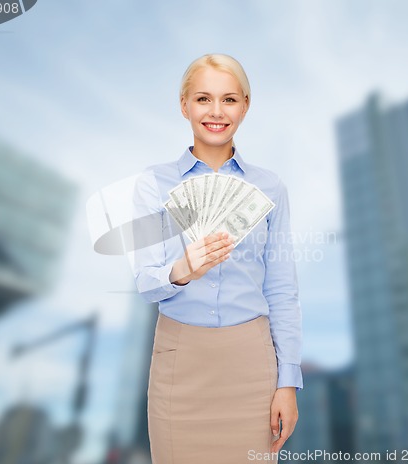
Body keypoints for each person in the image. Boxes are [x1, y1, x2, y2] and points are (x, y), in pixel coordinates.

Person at [131, 53, 303, 464]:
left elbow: (281, 290)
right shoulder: (153, 185)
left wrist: (288, 381)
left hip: (251, 364)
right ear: (184, 104)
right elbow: (144, 281)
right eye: (204, 98)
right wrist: (181, 271)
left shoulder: (271, 188)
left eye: (229, 99)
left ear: (245, 106)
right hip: (180, 362)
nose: (216, 112)